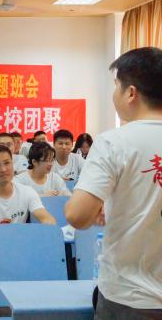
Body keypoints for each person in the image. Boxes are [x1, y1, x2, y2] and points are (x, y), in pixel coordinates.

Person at [65, 47, 162, 318]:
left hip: (130, 296)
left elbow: (77, 216)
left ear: (131, 93)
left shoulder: (113, 142)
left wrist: (94, 206)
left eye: (116, 86)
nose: (114, 94)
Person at [0, 145, 56, 231]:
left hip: (19, 241)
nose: (3, 169)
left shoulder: (27, 192)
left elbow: (45, 217)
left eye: (7, 163)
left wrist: (48, 226)